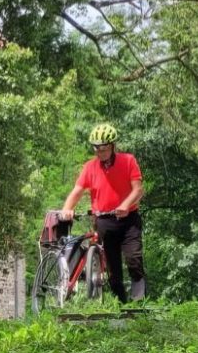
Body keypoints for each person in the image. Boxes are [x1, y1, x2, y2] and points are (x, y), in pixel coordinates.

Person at [60, 123, 146, 302]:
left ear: (112, 146)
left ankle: (139, 302)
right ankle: (122, 305)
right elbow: (77, 190)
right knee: (113, 272)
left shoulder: (128, 160)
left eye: (104, 149)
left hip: (128, 219)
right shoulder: (90, 167)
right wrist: (67, 208)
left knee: (133, 259)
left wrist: (125, 205)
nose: (100, 153)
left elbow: (138, 190)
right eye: (97, 149)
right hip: (105, 222)